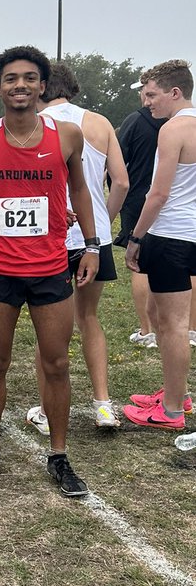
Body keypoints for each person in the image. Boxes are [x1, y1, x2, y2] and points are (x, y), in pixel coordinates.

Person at [0, 46, 97, 498]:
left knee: (57, 363)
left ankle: (59, 455)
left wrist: (93, 245)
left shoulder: (67, 136)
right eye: (10, 78)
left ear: (42, 85)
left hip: (50, 270)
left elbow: (80, 189)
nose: (19, 85)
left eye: (28, 78)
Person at [27, 62, 129, 432]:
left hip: (51, 235)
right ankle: (103, 404)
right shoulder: (99, 122)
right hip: (93, 238)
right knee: (88, 319)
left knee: (48, 325)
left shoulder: (36, 125)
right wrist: (101, 221)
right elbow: (120, 181)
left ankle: (46, 408)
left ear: (40, 87)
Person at [122, 60, 196, 432]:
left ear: (175, 92)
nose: (148, 103)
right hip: (190, 233)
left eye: (152, 94)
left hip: (170, 236)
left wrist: (135, 237)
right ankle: (175, 392)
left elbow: (159, 193)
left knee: (171, 325)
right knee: (172, 320)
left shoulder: (173, 129)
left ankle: (171, 411)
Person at [116, 81, 167, 347]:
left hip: (138, 198)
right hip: (174, 202)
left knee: (138, 262)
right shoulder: (181, 123)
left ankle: (148, 330)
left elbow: (116, 160)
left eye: (147, 93)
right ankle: (191, 328)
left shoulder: (135, 121)